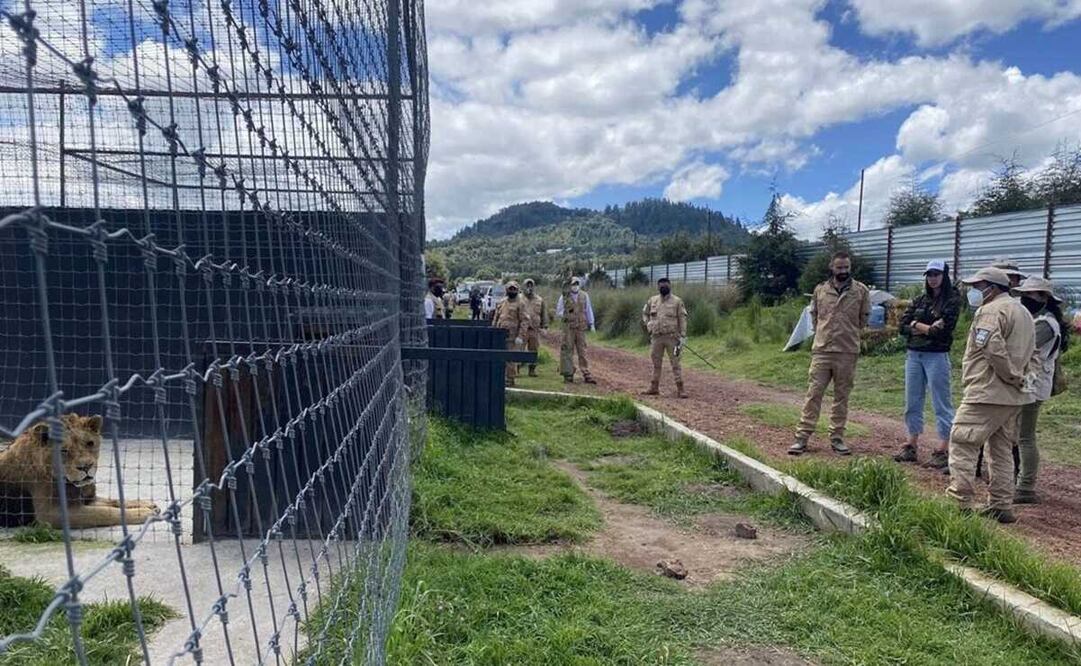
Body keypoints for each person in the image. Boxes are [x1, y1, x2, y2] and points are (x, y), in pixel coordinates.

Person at [945, 267, 1036, 524]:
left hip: (987, 391)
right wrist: (1020, 381)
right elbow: (1032, 353)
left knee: (963, 441)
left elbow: (993, 350)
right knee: (1001, 449)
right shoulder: (1024, 312)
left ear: (992, 287)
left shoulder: (990, 311)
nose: (974, 292)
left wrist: (1009, 374)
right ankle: (1000, 505)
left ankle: (959, 502)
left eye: (977, 286)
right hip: (1012, 395)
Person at [789, 251, 871, 456]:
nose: (843, 271)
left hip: (847, 351)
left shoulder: (860, 291)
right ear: (832, 268)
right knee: (813, 394)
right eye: (839, 267)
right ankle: (802, 437)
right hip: (822, 350)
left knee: (841, 397)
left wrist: (848, 333)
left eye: (846, 267)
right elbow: (815, 317)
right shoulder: (820, 290)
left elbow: (864, 319)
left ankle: (837, 438)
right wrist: (824, 335)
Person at [894, 260, 961, 469]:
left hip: (937, 355)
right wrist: (922, 326)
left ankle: (943, 448)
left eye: (936, 274)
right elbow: (902, 326)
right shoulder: (920, 299)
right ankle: (911, 444)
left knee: (941, 402)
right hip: (914, 354)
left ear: (944, 276)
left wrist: (916, 324)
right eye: (929, 275)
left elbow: (941, 331)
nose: (932, 278)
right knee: (912, 400)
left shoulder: (952, 300)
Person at [1012, 276, 1069, 504]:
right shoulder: (1040, 320)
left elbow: (1024, 347)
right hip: (1030, 381)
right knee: (1019, 433)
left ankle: (1026, 487)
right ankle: (1021, 482)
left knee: (1025, 435)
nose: (1026, 299)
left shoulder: (1045, 324)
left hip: (1033, 383)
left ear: (1044, 298)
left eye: (1031, 295)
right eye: (1024, 295)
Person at [641, 277, 689, 398]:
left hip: (673, 338)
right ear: (658, 287)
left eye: (666, 285)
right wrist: (648, 324)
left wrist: (683, 336)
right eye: (661, 285)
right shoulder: (652, 300)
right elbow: (645, 313)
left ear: (670, 286)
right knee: (656, 363)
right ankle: (654, 387)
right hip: (656, 337)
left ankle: (680, 388)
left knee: (675, 363)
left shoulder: (677, 301)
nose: (663, 287)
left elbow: (682, 319)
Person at [555, 277, 596, 384]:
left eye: (577, 284)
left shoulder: (584, 295)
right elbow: (559, 311)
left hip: (581, 328)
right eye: (573, 284)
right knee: (568, 351)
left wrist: (591, 324)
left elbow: (588, 310)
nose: (575, 286)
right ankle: (568, 374)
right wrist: (568, 314)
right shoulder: (564, 296)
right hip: (568, 328)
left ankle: (586, 373)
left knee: (582, 350)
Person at [492, 281, 533, 387]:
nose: (512, 291)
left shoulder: (521, 303)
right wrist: (493, 330)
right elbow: (496, 317)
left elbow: (525, 321)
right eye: (510, 289)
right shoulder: (502, 302)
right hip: (499, 335)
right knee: (499, 358)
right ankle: (500, 378)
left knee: (510, 358)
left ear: (517, 290)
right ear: (506, 290)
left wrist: (520, 336)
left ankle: (510, 379)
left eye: (514, 289)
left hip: (513, 336)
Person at [521, 278, 549, 377]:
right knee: (519, 349)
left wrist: (544, 327)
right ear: (523, 286)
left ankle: (532, 369)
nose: (529, 288)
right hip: (522, 329)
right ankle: (516, 368)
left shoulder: (539, 300)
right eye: (527, 285)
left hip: (534, 329)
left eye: (531, 285)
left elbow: (544, 314)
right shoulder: (519, 298)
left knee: (533, 350)